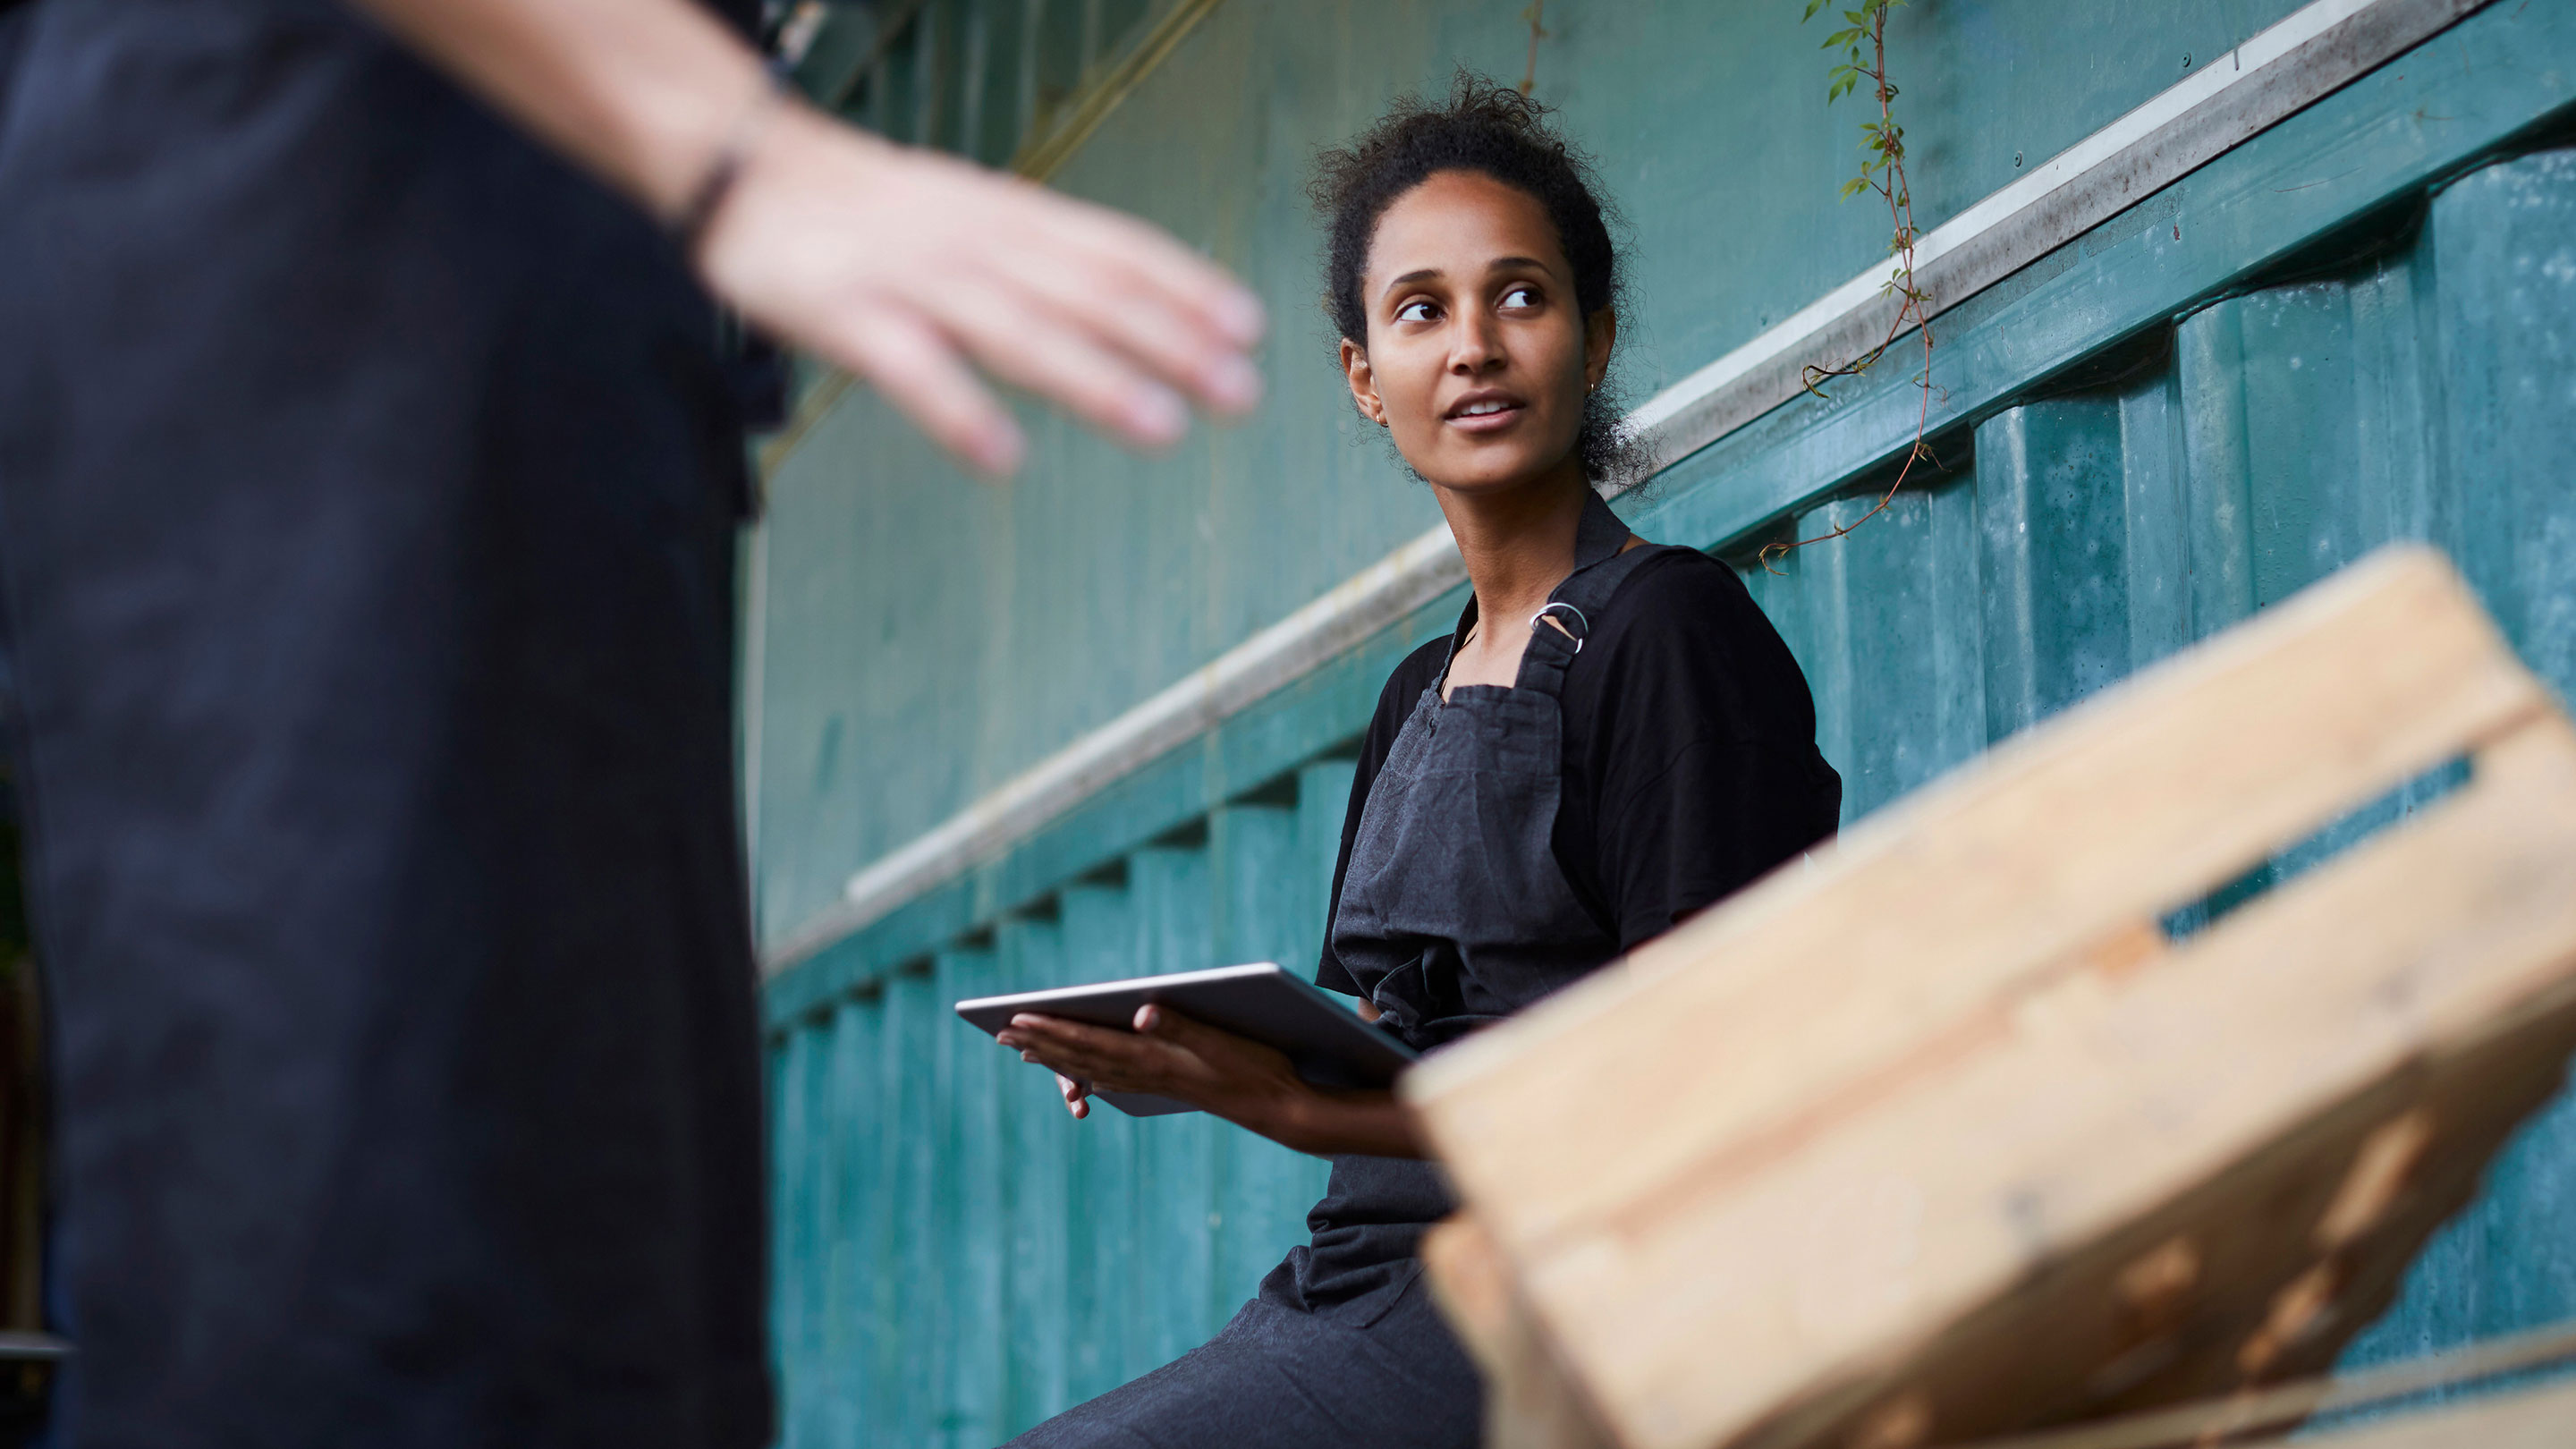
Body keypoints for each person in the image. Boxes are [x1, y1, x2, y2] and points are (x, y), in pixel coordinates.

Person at [0, 0, 1263, 1444]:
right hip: (344, 237)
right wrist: (741, 147)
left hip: (530, 262)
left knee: (586, 1303)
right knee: (387, 1297)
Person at [994, 76, 1844, 1448]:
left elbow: (1695, 1090)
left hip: (1573, 1298)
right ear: (1362, 378)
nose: (1474, 349)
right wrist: (1196, 1057)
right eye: (1422, 311)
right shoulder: (1416, 694)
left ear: (1596, 334)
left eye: (1522, 297)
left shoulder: (1670, 634)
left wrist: (1288, 1108)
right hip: (1360, 1283)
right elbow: (1381, 1046)